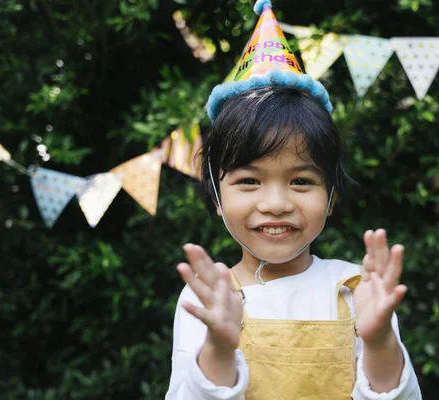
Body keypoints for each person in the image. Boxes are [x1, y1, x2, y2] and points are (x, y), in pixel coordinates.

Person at [165, 1, 422, 399]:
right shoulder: (210, 295)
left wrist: (379, 341)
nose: (276, 203)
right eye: (249, 180)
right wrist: (218, 346)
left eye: (301, 181)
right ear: (216, 196)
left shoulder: (354, 289)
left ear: (331, 196)